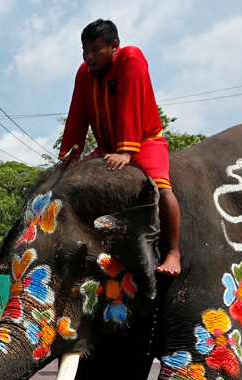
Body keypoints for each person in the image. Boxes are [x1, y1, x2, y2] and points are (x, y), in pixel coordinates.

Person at [58, 19, 182, 276]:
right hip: (106, 147)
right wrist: (71, 155)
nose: (88, 56)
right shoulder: (84, 73)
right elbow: (77, 114)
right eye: (85, 50)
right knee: (66, 184)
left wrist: (126, 151)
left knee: (162, 188)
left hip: (144, 142)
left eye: (95, 49)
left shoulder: (131, 58)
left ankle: (173, 251)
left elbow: (130, 104)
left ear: (114, 45)